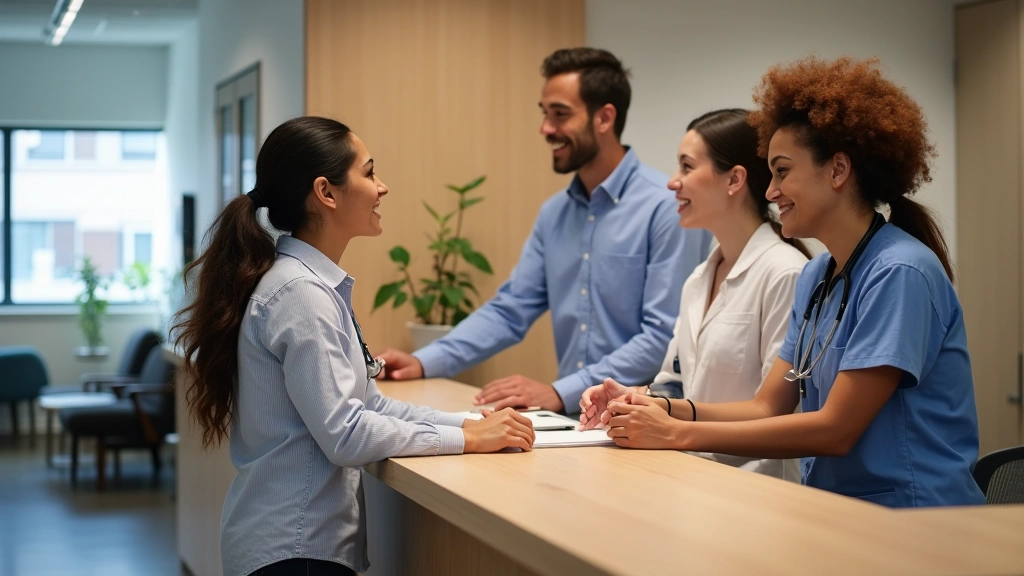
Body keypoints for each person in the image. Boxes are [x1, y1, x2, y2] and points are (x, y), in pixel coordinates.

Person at [594, 57, 985, 507]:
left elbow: (836, 429)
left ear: (837, 170)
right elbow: (765, 406)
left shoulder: (899, 272)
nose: (770, 191)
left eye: (782, 171)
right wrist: (663, 407)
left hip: (914, 519)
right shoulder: (818, 277)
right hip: (838, 511)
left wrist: (677, 433)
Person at [172, 117, 535, 576]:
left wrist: (471, 422)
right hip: (294, 552)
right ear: (326, 192)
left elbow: (371, 405)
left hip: (293, 547)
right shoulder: (300, 294)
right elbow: (346, 433)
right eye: (369, 173)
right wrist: (465, 439)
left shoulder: (308, 285)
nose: (382, 187)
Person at [378, 47, 711, 413]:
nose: (546, 129)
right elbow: (510, 309)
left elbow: (662, 336)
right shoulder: (554, 214)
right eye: (545, 114)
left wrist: (558, 391)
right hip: (575, 423)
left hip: (645, 423)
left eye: (560, 115)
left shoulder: (667, 207)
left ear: (604, 118)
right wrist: (425, 361)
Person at [578, 109, 809, 480]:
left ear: (734, 179)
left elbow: (778, 411)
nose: (673, 182)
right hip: (690, 475)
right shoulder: (699, 278)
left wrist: (670, 420)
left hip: (756, 485)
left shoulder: (785, 273)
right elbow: (676, 383)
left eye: (687, 167)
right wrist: (634, 398)